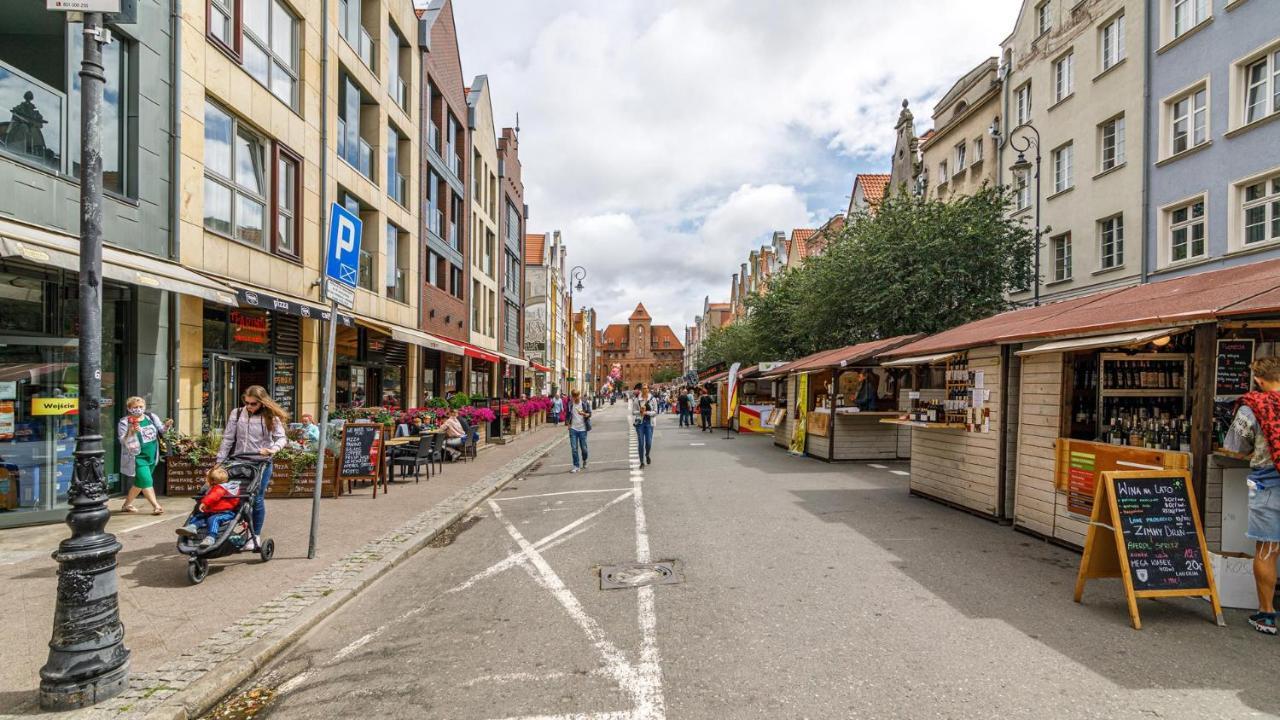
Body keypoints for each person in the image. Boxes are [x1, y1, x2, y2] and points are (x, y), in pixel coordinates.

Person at [1222, 356, 1280, 635]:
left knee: (1267, 549)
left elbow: (1236, 446)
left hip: (1268, 482)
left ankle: (1266, 614)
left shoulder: (1253, 407)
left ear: (1258, 379)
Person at [215, 386, 287, 548]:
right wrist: (219, 462)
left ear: (262, 403)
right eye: (246, 402)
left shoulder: (271, 417)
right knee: (233, 495)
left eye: (253, 404)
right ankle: (229, 530)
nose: (249, 406)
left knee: (256, 497)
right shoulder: (237, 413)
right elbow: (228, 439)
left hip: (261, 462)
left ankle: (255, 535)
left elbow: (282, 438)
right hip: (239, 460)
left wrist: (272, 450)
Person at [117, 396, 172, 515]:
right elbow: (122, 440)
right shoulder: (124, 422)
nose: (138, 409)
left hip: (151, 455)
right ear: (129, 408)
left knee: (140, 483)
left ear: (145, 407)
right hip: (136, 457)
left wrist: (167, 426)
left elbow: (161, 430)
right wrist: (130, 431)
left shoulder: (151, 417)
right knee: (147, 480)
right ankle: (156, 506)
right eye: (135, 407)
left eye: (140, 407)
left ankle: (126, 505)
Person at [176, 465, 241, 548]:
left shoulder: (220, 488)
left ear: (213, 481)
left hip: (225, 512)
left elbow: (213, 496)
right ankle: (192, 527)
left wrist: (204, 503)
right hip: (213, 511)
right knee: (201, 516)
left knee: (213, 519)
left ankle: (211, 537)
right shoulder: (224, 487)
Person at [630, 383, 657, 465]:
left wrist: (646, 413)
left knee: (648, 442)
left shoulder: (653, 399)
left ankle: (647, 454)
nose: (645, 390)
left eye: (646, 388)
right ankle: (641, 462)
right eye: (643, 388)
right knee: (641, 443)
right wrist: (640, 412)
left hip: (649, 423)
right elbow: (633, 412)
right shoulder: (637, 399)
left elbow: (655, 412)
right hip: (640, 423)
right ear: (641, 390)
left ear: (648, 389)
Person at [567, 389, 592, 473]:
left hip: (583, 429)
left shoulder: (584, 403)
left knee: (584, 448)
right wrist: (568, 424)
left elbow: (590, 414)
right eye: (573, 396)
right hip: (573, 429)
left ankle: (584, 460)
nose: (575, 398)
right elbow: (568, 415)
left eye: (576, 396)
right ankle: (576, 466)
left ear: (579, 395)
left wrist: (584, 414)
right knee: (574, 448)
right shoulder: (570, 404)